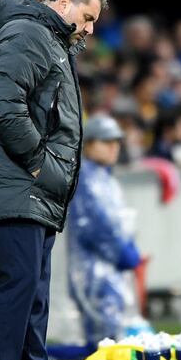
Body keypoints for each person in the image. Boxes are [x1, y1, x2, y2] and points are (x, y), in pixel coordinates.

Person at [0, 0, 106, 360]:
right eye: (86, 17)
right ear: (63, 2)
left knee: (32, 292)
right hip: (18, 184)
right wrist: (40, 165)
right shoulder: (28, 32)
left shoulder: (47, 39)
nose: (89, 29)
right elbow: (2, 103)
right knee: (19, 286)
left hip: (30, 189)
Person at [67, 115, 150, 346]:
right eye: (107, 142)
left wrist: (128, 245)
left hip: (108, 268)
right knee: (102, 342)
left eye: (117, 142)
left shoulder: (104, 178)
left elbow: (117, 221)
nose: (114, 148)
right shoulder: (84, 177)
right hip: (93, 269)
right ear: (90, 144)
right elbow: (94, 226)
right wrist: (121, 251)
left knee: (113, 337)